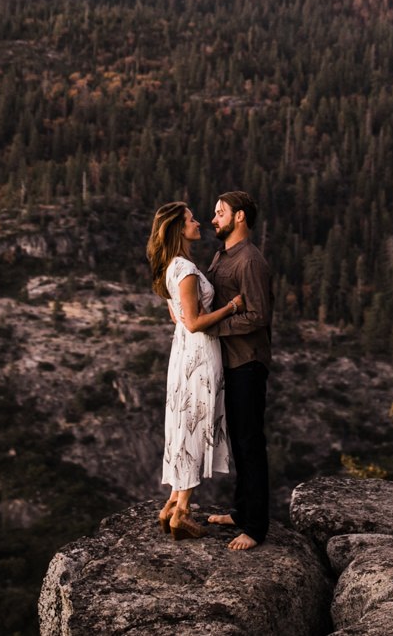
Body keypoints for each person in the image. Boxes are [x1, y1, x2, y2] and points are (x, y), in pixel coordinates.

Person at [146, 201, 243, 539]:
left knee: (182, 422)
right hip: (200, 355)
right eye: (190, 220)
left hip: (183, 353)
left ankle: (172, 504)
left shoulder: (169, 267)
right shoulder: (185, 268)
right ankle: (182, 511)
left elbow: (178, 317)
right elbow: (196, 323)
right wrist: (232, 306)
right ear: (178, 228)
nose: (197, 222)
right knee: (196, 423)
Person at [203, 190, 273, 551]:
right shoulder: (223, 255)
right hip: (231, 361)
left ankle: (256, 526)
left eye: (220, 213)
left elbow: (259, 315)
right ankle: (242, 511)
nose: (214, 219)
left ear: (240, 216)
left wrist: (215, 327)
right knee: (239, 440)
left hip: (248, 361)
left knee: (250, 442)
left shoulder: (250, 261)